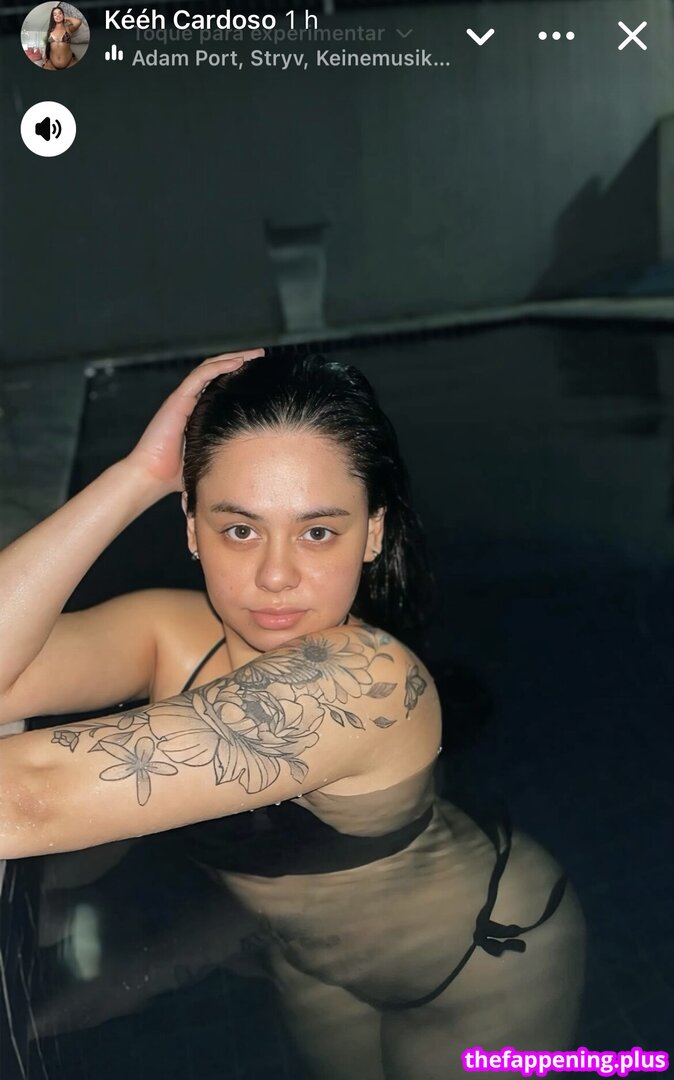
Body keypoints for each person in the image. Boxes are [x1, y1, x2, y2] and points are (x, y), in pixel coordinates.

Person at [0, 350, 586, 1078]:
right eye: (240, 529)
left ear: (373, 533)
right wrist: (137, 477)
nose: (275, 576)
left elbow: (27, 799)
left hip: (479, 962)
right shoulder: (164, 633)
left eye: (318, 532)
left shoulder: (363, 683)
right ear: (192, 527)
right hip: (310, 963)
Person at [42, 4, 82, 69]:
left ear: (63, 15)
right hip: (51, 64)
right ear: (53, 17)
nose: (57, 15)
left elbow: (78, 22)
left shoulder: (68, 28)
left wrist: (67, 18)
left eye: (60, 13)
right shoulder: (50, 31)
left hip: (69, 63)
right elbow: (47, 46)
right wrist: (44, 57)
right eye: (55, 14)